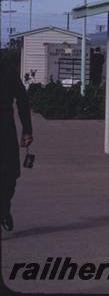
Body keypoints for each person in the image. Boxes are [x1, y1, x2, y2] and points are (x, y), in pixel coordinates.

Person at [0, 58, 33, 232]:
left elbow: (22, 99)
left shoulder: (7, 69)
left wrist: (27, 130)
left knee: (10, 174)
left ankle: (4, 207)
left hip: (5, 129)